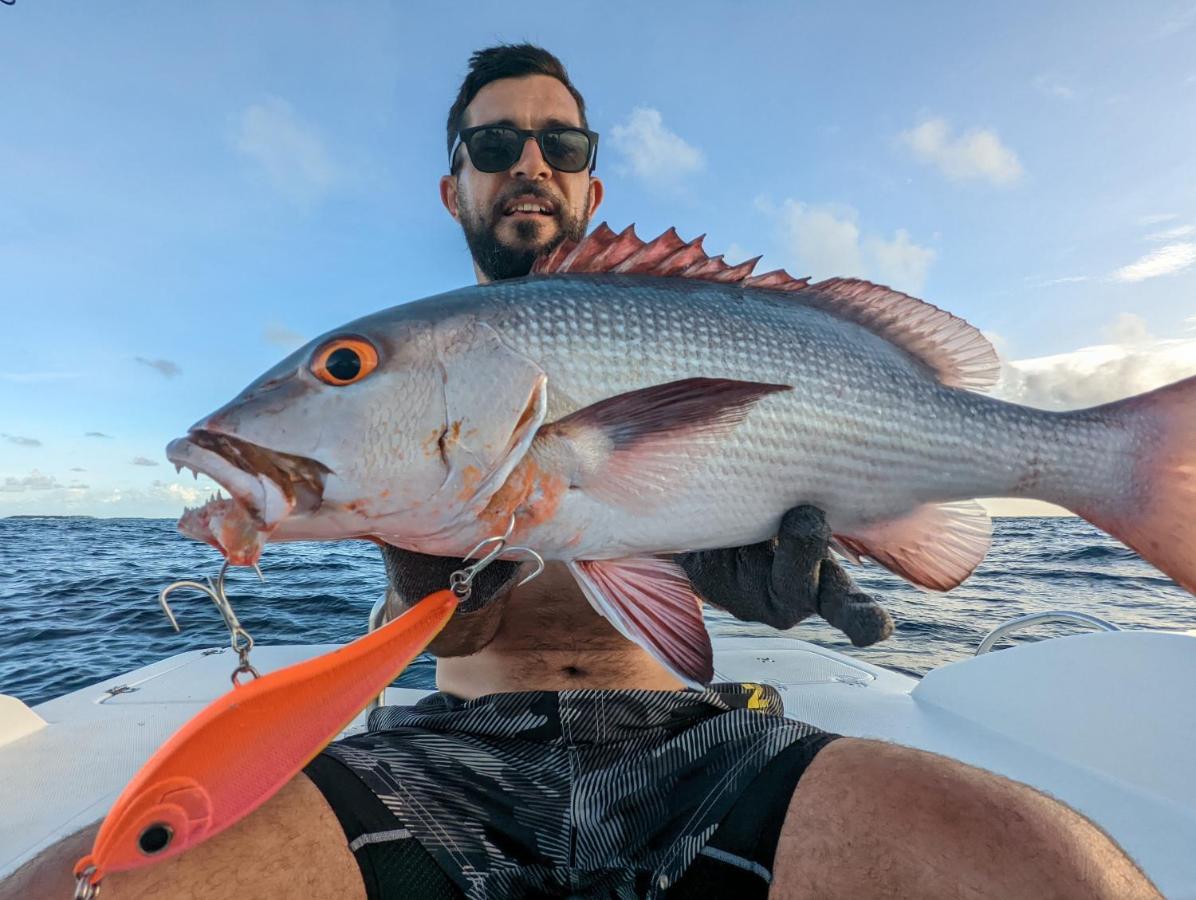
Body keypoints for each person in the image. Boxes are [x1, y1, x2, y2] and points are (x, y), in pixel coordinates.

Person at [4, 44, 1159, 900]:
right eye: (491, 145)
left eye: (560, 145)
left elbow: (785, 486)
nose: (528, 165)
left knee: (1065, 873)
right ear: (453, 186)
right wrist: (422, 541)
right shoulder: (424, 418)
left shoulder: (635, 320)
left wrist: (752, 567)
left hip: (695, 736)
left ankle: (1115, 460)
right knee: (82, 887)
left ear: (590, 185)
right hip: (451, 745)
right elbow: (447, 644)